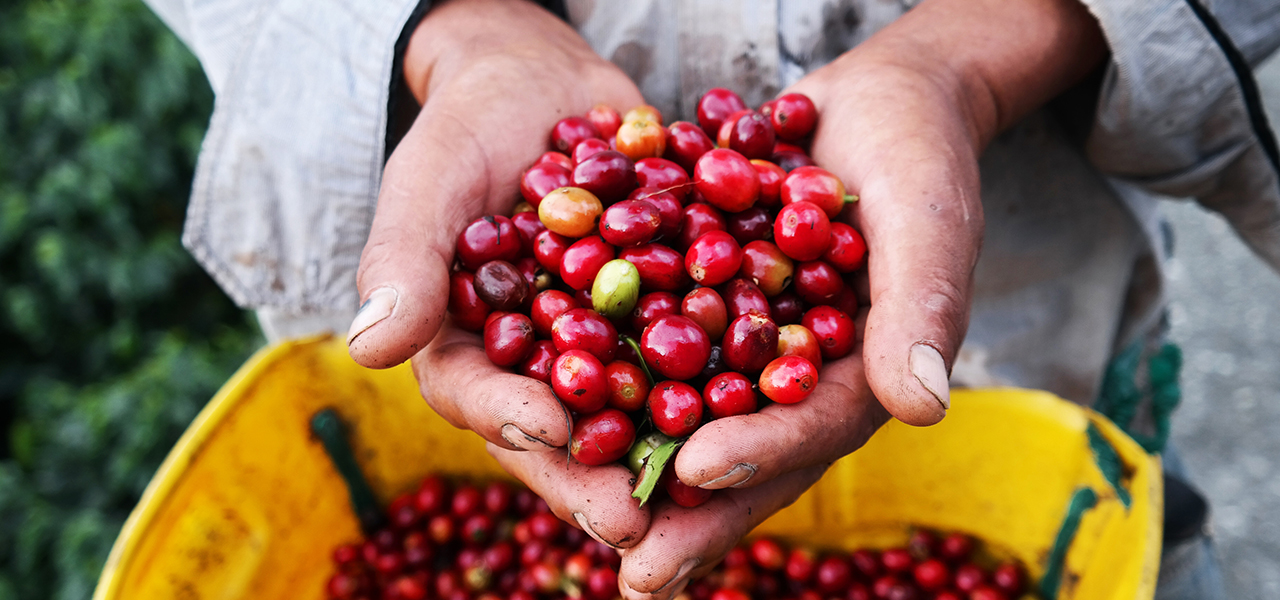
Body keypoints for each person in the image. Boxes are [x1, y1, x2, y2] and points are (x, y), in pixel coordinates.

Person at [144, 0, 1280, 598]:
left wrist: (967, 56)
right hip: (434, 135)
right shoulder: (623, 267)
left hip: (1026, 294)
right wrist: (457, 28)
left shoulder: (702, 264)